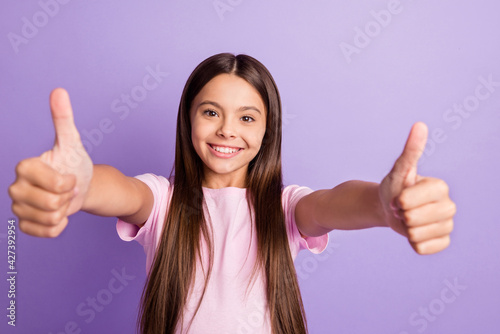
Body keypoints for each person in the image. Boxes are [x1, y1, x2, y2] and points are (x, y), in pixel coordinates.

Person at [8, 53, 456, 334]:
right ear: (188, 120)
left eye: (247, 117)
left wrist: (380, 204)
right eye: (210, 112)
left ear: (267, 131)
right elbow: (120, 190)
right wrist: (81, 186)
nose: (226, 130)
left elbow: (334, 203)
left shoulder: (286, 206)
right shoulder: (163, 201)